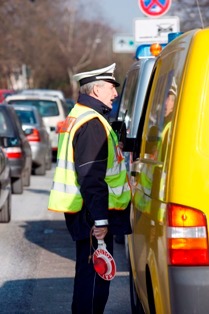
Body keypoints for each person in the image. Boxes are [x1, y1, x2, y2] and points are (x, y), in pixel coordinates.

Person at [48, 63, 132, 314]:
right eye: (110, 88)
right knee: (95, 280)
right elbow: (91, 177)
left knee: (88, 276)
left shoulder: (80, 115)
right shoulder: (92, 123)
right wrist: (101, 220)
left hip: (85, 212)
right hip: (92, 215)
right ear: (96, 89)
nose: (115, 94)